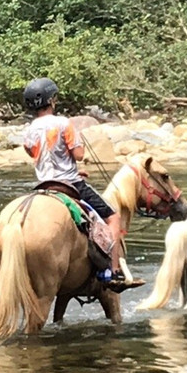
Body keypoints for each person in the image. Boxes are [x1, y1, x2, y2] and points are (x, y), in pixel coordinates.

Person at [21, 77, 138, 288]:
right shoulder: (64, 123)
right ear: (52, 100)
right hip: (70, 183)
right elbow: (78, 154)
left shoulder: (28, 130)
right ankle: (113, 271)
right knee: (112, 217)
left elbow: (33, 153)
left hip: (44, 184)